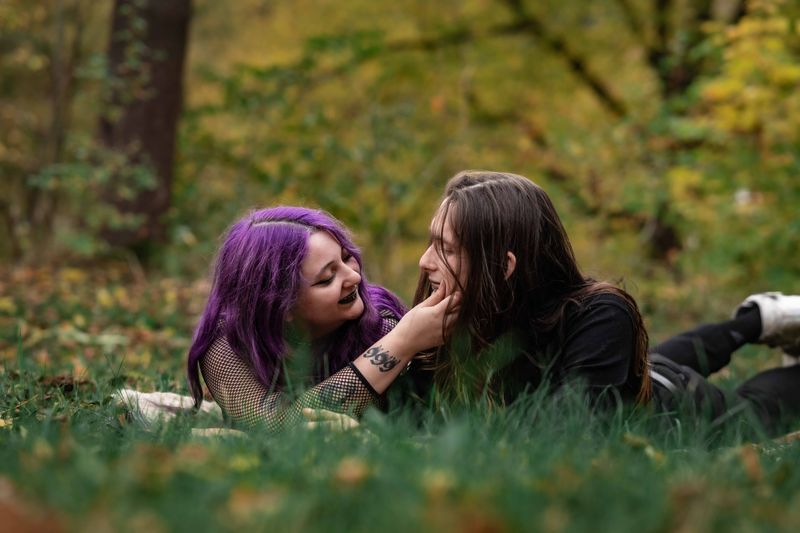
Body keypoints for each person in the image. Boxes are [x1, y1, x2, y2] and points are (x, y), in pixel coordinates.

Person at [407, 170, 800, 433]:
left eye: (446, 249)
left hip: (676, 405)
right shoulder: (444, 325)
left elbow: (564, 431)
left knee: (755, 409)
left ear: (504, 266)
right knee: (659, 359)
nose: (425, 262)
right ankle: (761, 318)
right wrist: (403, 342)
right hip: (628, 372)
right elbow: (383, 416)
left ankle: (762, 320)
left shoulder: (601, 314)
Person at [185, 206, 458, 431]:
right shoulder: (227, 342)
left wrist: (401, 339)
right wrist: (400, 344)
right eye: (327, 278)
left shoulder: (381, 322)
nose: (354, 277)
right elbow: (275, 426)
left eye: (346, 258)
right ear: (281, 306)